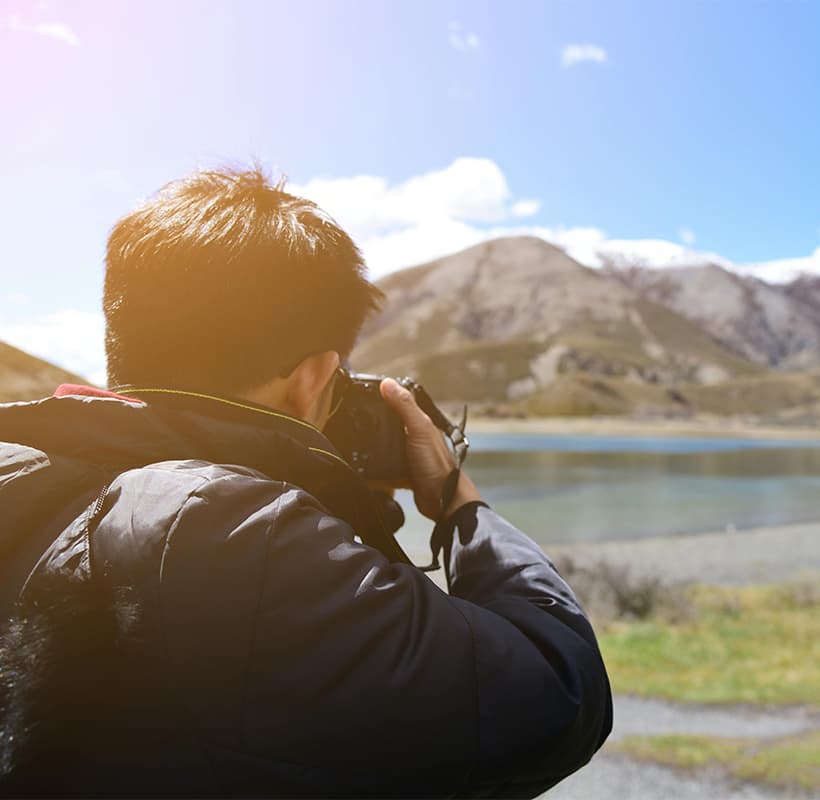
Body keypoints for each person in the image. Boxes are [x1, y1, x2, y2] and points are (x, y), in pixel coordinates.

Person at [0, 167, 612, 797]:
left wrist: (328, 504)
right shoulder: (236, 531)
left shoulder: (20, 472)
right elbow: (559, 693)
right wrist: (460, 504)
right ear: (314, 377)